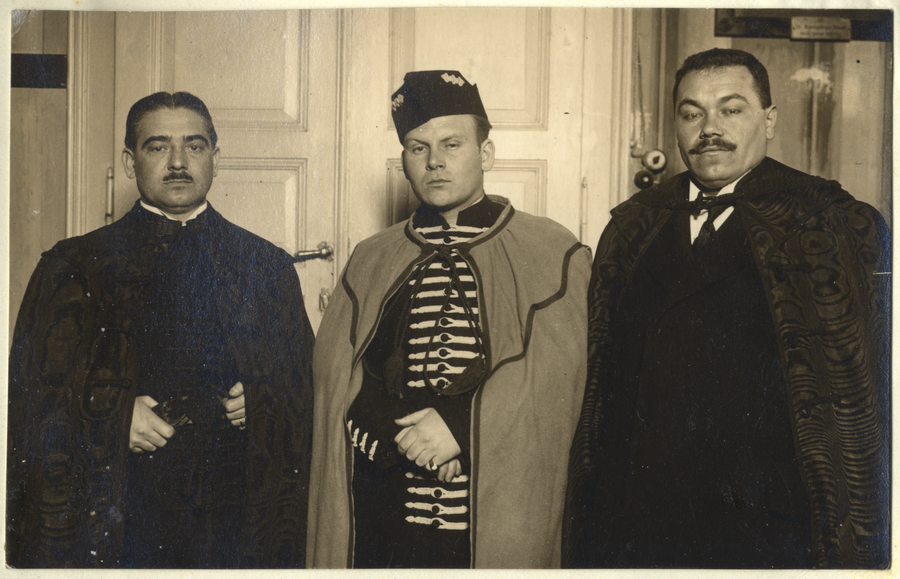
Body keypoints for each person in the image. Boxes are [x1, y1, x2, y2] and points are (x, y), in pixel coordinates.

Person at [564, 48, 890, 569]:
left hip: (767, 521)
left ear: (770, 120)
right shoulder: (632, 226)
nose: (709, 129)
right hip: (641, 513)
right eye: (691, 113)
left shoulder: (831, 223)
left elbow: (862, 396)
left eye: (731, 110)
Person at [7, 92, 315, 568]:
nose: (177, 162)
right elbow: (29, 398)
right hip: (123, 506)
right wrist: (110, 418)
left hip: (233, 509)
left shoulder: (266, 266)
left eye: (194, 145)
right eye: (157, 146)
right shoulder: (73, 265)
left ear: (216, 158)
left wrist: (262, 398)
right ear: (130, 163)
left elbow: (307, 385)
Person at [307, 70, 591, 568]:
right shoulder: (371, 257)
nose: (434, 161)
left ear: (486, 154)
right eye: (418, 148)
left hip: (497, 509)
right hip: (389, 507)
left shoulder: (553, 251)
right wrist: (395, 435)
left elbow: (557, 383)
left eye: (452, 144)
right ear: (404, 162)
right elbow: (338, 375)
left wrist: (461, 429)